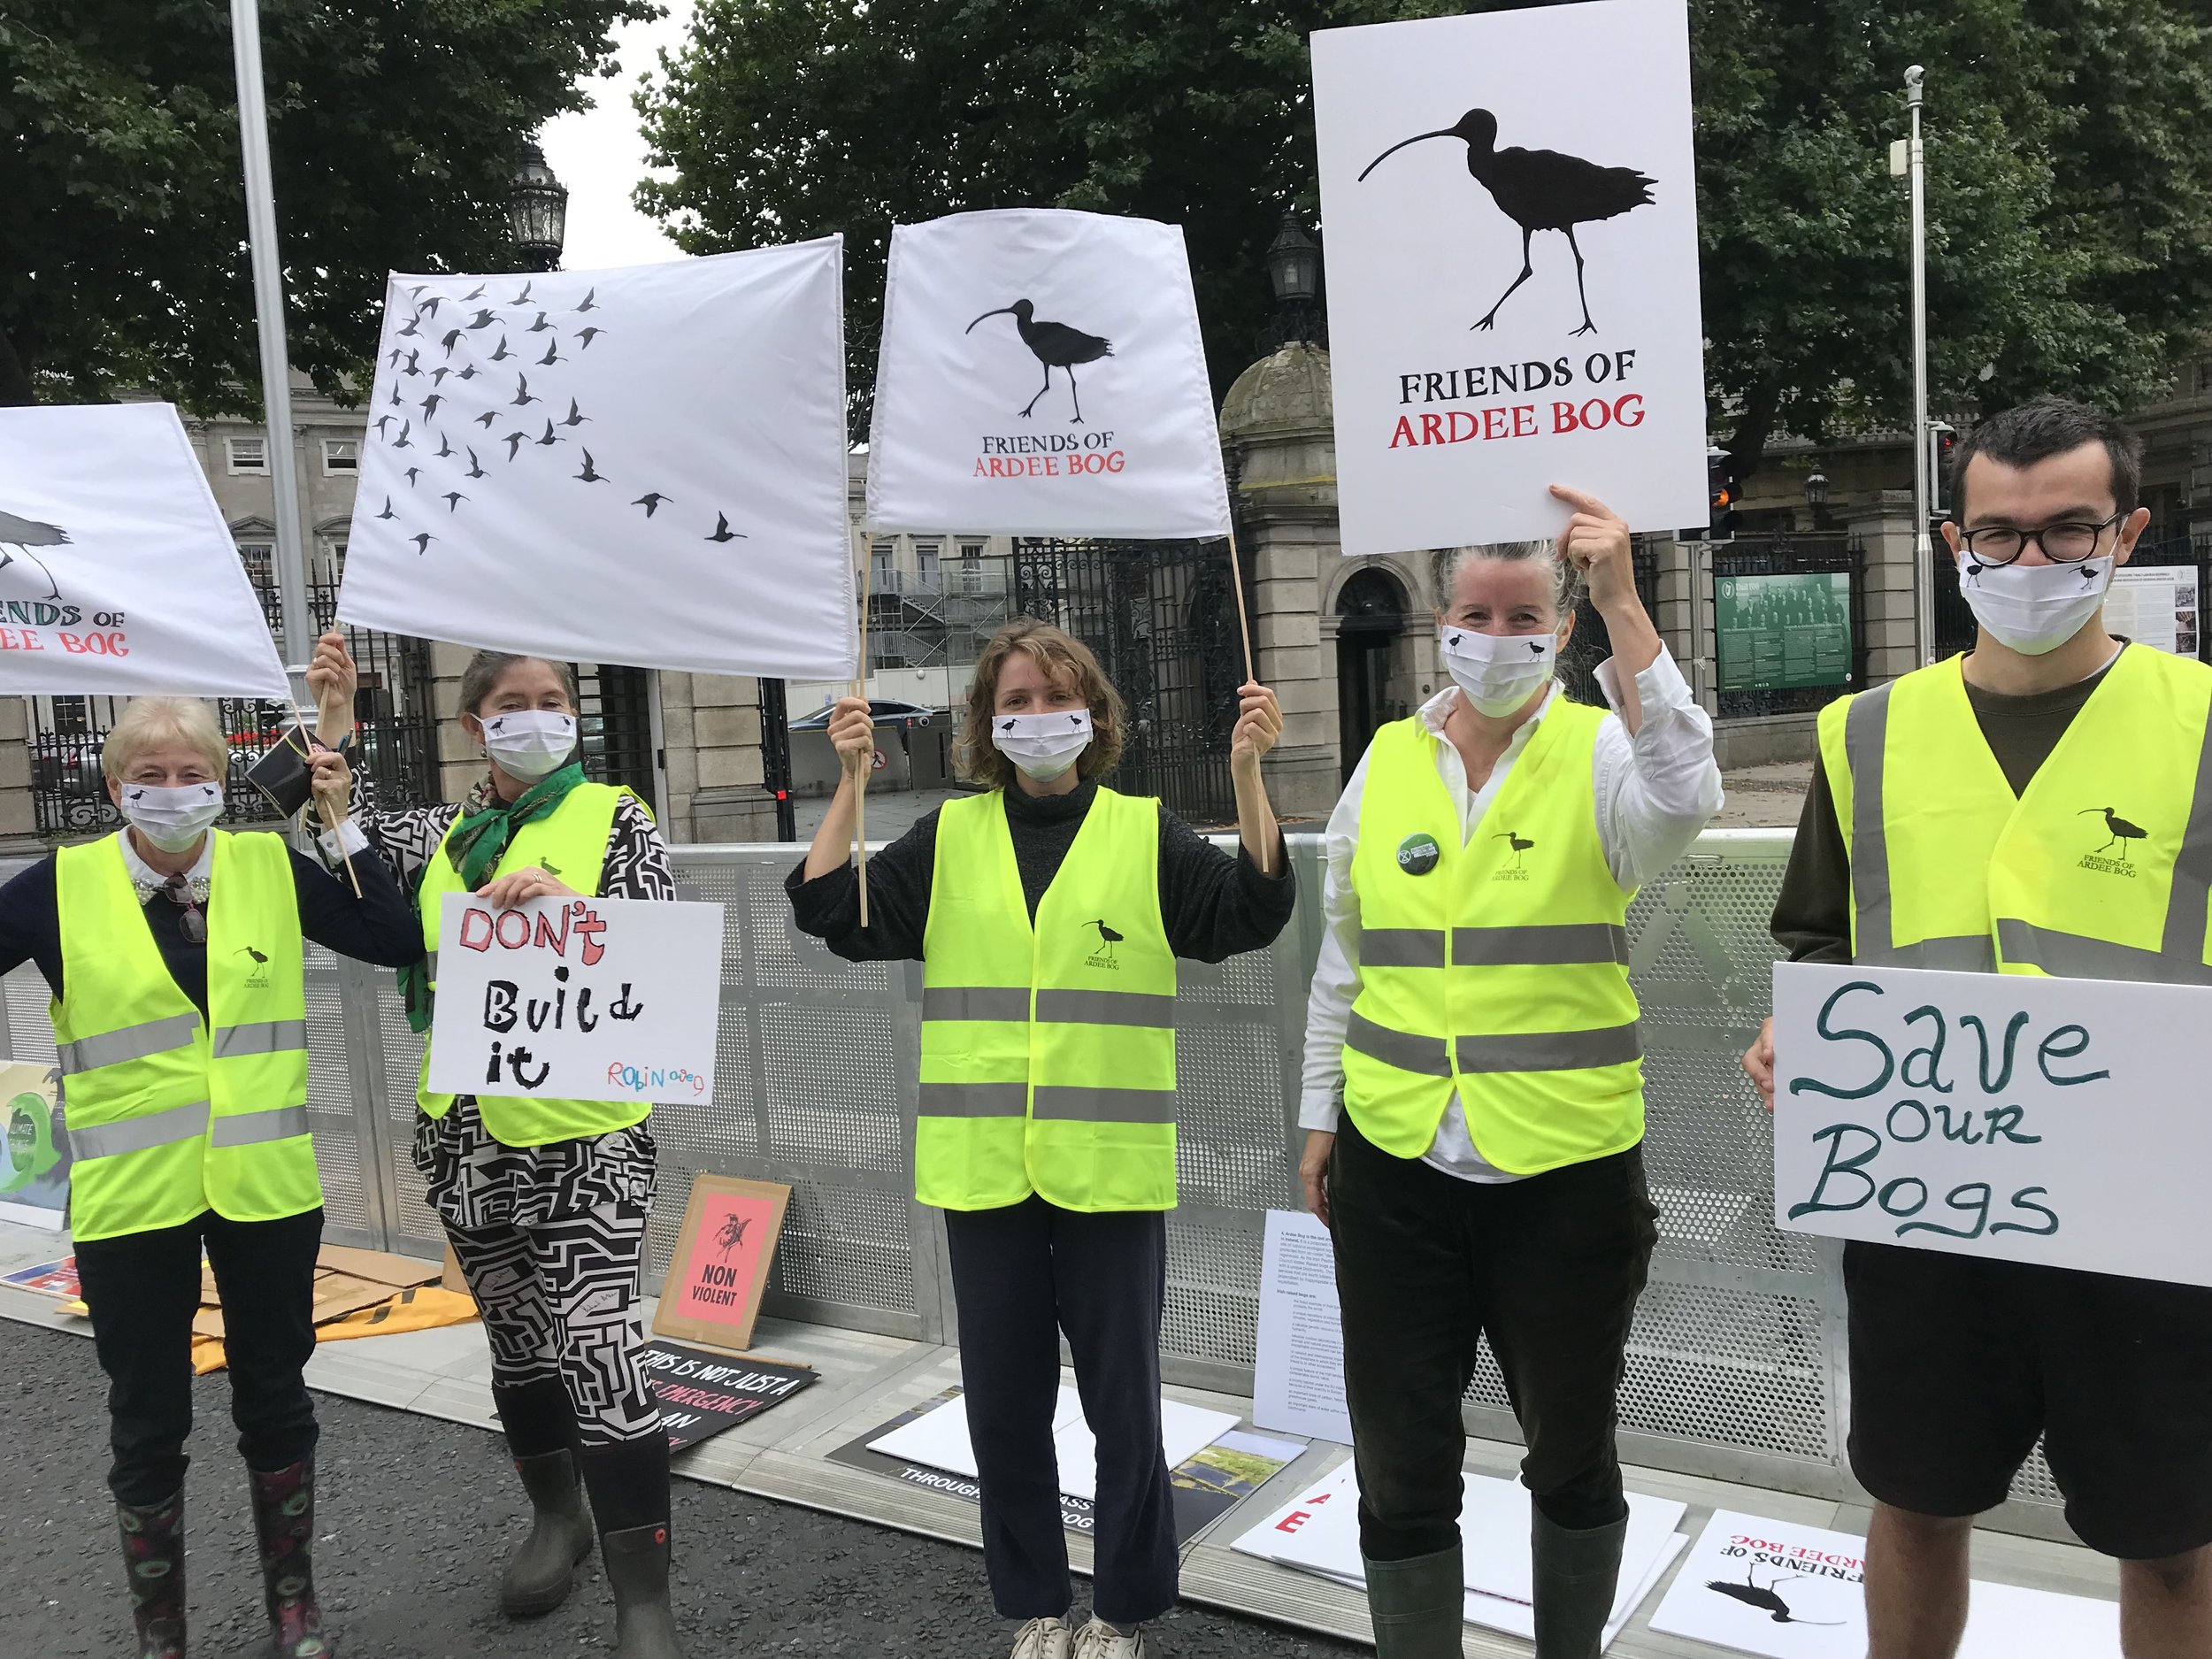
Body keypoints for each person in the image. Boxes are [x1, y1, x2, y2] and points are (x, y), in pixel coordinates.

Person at [1741, 399, 2212, 1659]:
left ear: (2128, 532)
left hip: (2148, 1217)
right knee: (1915, 1498)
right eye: (1999, 534)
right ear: (1953, 538)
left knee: (2170, 1534)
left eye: (2068, 529)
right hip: (1932, 1197)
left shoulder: (2204, 720)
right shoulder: (1865, 732)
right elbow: (1821, 938)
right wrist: (1798, 1032)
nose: (2030, 563)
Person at [787, 618, 1295, 1659]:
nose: (1034, 717)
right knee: (1004, 1408)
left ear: (1095, 715)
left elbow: (1245, 912)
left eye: (1053, 697)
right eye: (1012, 702)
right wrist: (846, 781)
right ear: (985, 723)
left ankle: (1122, 1607)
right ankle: (1033, 1606)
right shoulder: (947, 835)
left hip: (1109, 1172)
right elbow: (833, 910)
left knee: (1125, 1406)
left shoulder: (1144, 832)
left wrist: (1249, 774)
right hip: (985, 1175)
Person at [1301, 488, 1722, 1659]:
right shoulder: (1386, 761)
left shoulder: (1602, 756)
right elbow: (1345, 951)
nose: (1498, 634)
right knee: (1398, 1451)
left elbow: (1690, 796)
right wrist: (1314, 1116)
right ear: (1441, 616)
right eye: (1477, 611)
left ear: (1561, 626)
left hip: (1565, 1174)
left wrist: (1626, 600)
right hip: (1395, 1161)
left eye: (1526, 613)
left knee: (1572, 1449)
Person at [0, 696, 419, 1659]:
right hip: (129, 1203)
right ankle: (163, 1635)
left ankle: (295, 1608)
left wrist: (338, 817)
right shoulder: (54, 888)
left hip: (264, 1191)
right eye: (152, 773)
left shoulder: (269, 866)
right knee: (147, 1418)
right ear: (115, 788)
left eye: (196, 773)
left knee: (275, 1395)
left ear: (224, 788)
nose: (175, 790)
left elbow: (394, 937)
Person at [308, 631, 684, 1659]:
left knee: (600, 1348)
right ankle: (555, 1518)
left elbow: (657, 948)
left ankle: (641, 1596)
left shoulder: (615, 816)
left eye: (553, 698)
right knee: (518, 1345)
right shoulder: (441, 830)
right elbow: (330, 829)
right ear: (476, 724)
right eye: (512, 701)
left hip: (585, 1135)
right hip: (465, 1131)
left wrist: (573, 918)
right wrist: (333, 715)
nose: (538, 714)